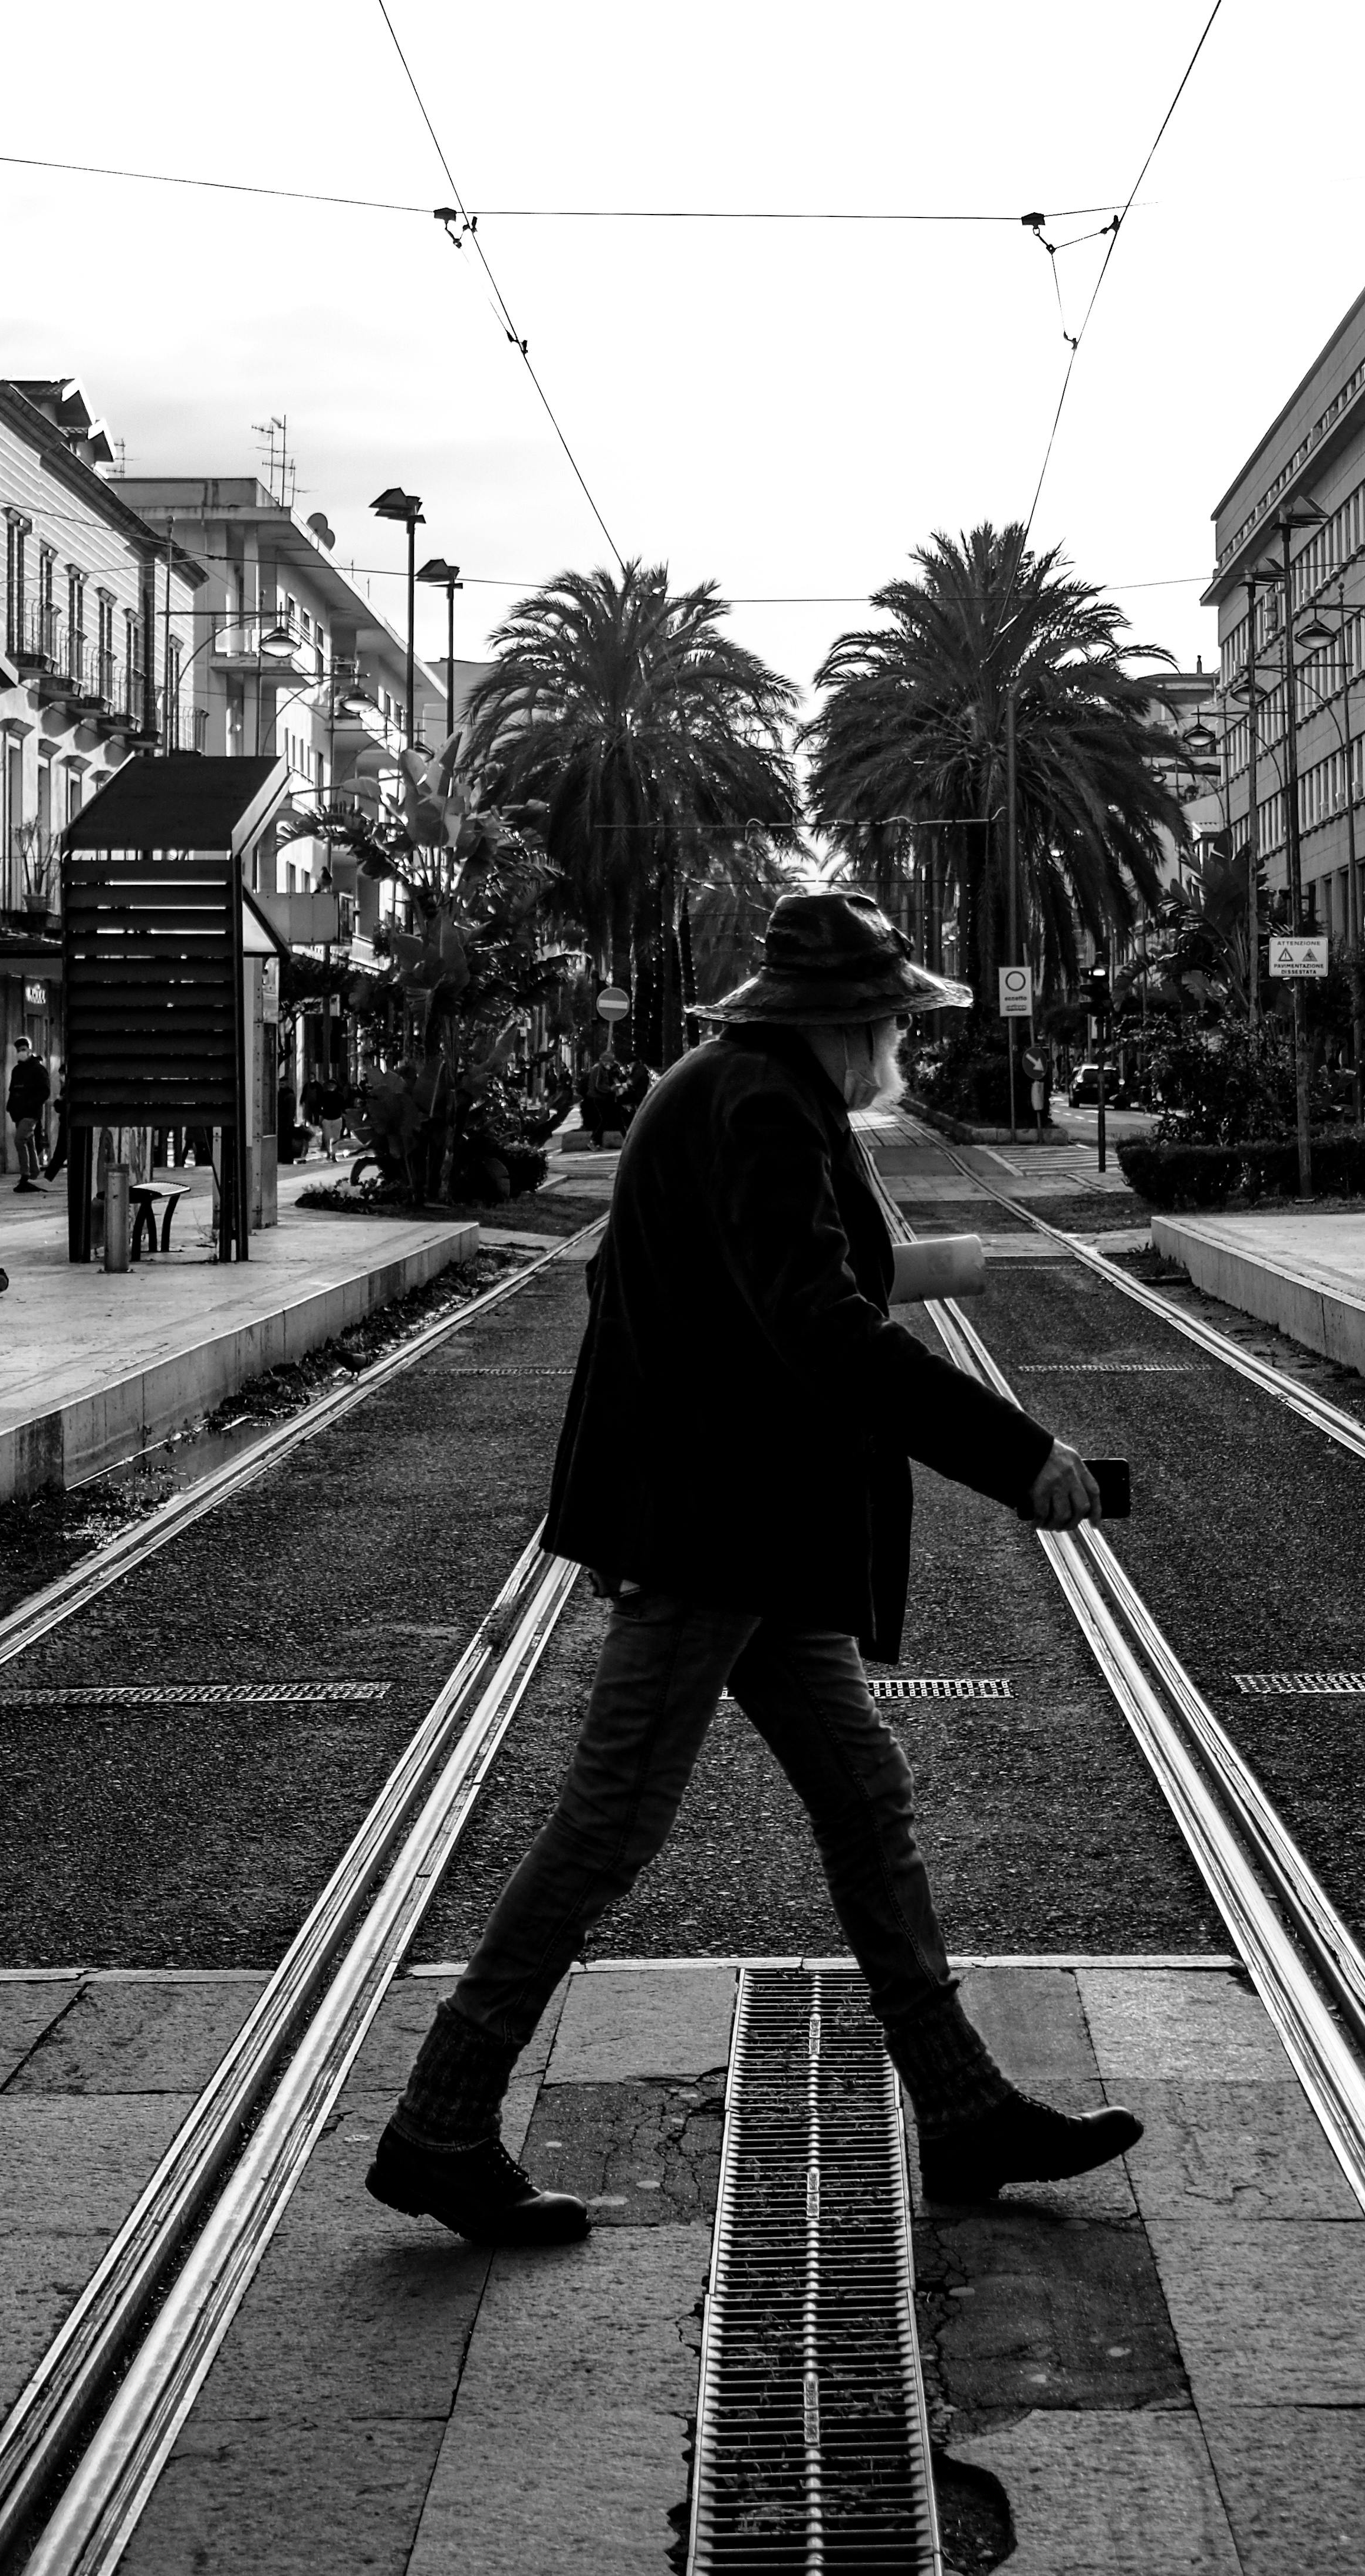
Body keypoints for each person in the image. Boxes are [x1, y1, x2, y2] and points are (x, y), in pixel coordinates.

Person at [367, 888, 1142, 2250]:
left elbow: (741, 1289)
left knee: (864, 1789)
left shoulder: (733, 1089)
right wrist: (1017, 1453)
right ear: (850, 1022)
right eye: (894, 1012)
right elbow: (814, 1326)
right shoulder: (767, 1106)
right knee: (609, 1819)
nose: (903, 1032)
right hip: (709, 1525)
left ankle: (959, 2103)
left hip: (739, 1516)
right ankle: (439, 2116)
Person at [6, 1035, 50, 1192]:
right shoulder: (17, 1070)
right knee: (28, 1141)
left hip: (31, 1114)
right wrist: (11, 1107)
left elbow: (45, 1091)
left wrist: (31, 1104)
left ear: (30, 1050)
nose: (21, 1053)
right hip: (19, 1113)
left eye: (23, 1050)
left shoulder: (38, 1069)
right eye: (19, 1050)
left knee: (20, 1140)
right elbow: (13, 1091)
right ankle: (34, 1171)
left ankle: (25, 1175)